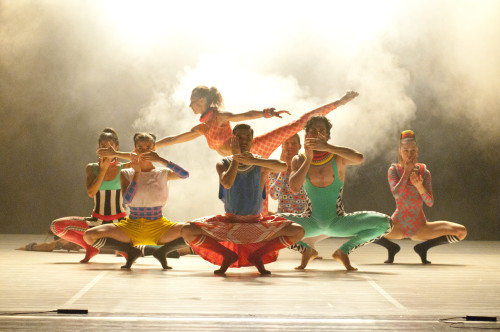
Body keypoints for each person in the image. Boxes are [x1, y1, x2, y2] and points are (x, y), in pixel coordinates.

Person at [98, 87, 359, 214]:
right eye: (191, 102)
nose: (191, 105)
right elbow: (175, 138)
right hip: (237, 160)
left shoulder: (220, 117)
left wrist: (267, 113)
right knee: (257, 192)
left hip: (252, 148)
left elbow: (244, 114)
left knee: (295, 126)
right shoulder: (202, 128)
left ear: (204, 102)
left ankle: (338, 103)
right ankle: (260, 223)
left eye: (194, 102)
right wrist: (151, 146)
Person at [181, 124, 305, 275]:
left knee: (297, 231)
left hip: (256, 226)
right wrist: (236, 159)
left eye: (247, 137)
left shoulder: (259, 162)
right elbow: (227, 182)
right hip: (230, 225)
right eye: (239, 137)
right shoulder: (223, 163)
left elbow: (282, 166)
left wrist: (253, 161)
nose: (243, 141)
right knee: (187, 230)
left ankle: (257, 255)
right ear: (233, 139)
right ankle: (227, 254)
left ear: (252, 140)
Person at [279, 116, 392, 271]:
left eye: (322, 131)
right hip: (310, 222)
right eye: (313, 131)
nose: (317, 134)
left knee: (386, 223)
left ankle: (343, 251)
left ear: (327, 136)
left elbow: (359, 158)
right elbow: (294, 187)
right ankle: (305, 249)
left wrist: (328, 147)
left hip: (338, 222)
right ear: (306, 136)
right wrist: (309, 159)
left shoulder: (337, 156)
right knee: (267, 225)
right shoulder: (299, 159)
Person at [83, 133, 190, 270]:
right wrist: (137, 174)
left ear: (154, 149)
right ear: (134, 150)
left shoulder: (163, 172)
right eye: (140, 147)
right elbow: (127, 200)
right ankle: (130, 250)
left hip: (159, 226)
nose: (144, 151)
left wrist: (161, 160)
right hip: (131, 227)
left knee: (194, 231)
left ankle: (162, 251)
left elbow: (185, 175)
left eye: (148, 147)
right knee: (89, 236)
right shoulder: (126, 173)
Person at [373, 130, 467, 264]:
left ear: (417, 151)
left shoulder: (424, 172)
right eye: (406, 151)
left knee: (461, 232)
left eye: (413, 151)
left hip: (419, 226)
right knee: (358, 228)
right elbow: (397, 194)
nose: (409, 154)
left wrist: (420, 186)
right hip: (397, 225)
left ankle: (423, 247)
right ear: (400, 151)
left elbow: (429, 203)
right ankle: (391, 247)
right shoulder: (394, 170)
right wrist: (405, 173)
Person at [50, 128, 141, 263]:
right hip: (96, 222)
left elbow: (138, 157)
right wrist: (103, 168)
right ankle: (89, 247)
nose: (106, 149)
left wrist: (115, 154)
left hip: (120, 223)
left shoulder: (124, 167)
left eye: (110, 146)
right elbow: (91, 192)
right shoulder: (91, 168)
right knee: (55, 226)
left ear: (116, 147)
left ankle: (123, 249)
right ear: (98, 148)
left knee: (147, 231)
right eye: (103, 146)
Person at [268, 134, 327, 269]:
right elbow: (274, 194)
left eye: (293, 144)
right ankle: (306, 249)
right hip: (286, 219)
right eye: (286, 144)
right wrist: (284, 169)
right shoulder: (273, 169)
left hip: (308, 217)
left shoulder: (307, 164)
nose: (289, 147)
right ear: (281, 147)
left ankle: (308, 246)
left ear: (300, 147)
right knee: (268, 221)